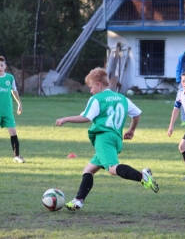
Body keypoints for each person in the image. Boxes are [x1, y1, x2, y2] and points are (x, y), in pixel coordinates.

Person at [56, 67, 159, 211]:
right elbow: (136, 114)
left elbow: (86, 117)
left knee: (112, 168)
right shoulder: (122, 98)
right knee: (88, 170)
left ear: (98, 85)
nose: (90, 91)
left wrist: (65, 119)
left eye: (91, 87)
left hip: (103, 138)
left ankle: (142, 176)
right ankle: (78, 200)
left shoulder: (97, 99)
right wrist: (131, 129)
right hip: (116, 139)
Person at [0, 56, 25, 163]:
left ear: (5, 66)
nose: (0, 67)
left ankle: (17, 156)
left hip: (7, 110)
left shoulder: (10, 78)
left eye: (1, 65)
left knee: (13, 131)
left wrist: (19, 103)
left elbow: (14, 91)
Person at [167, 72, 185, 180]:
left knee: (183, 146)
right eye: (183, 81)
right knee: (182, 146)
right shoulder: (180, 93)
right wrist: (171, 126)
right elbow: (176, 109)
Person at [176, 40, 185, 126]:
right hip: (184, 81)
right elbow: (178, 69)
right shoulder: (182, 57)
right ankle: (184, 120)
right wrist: (178, 80)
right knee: (183, 101)